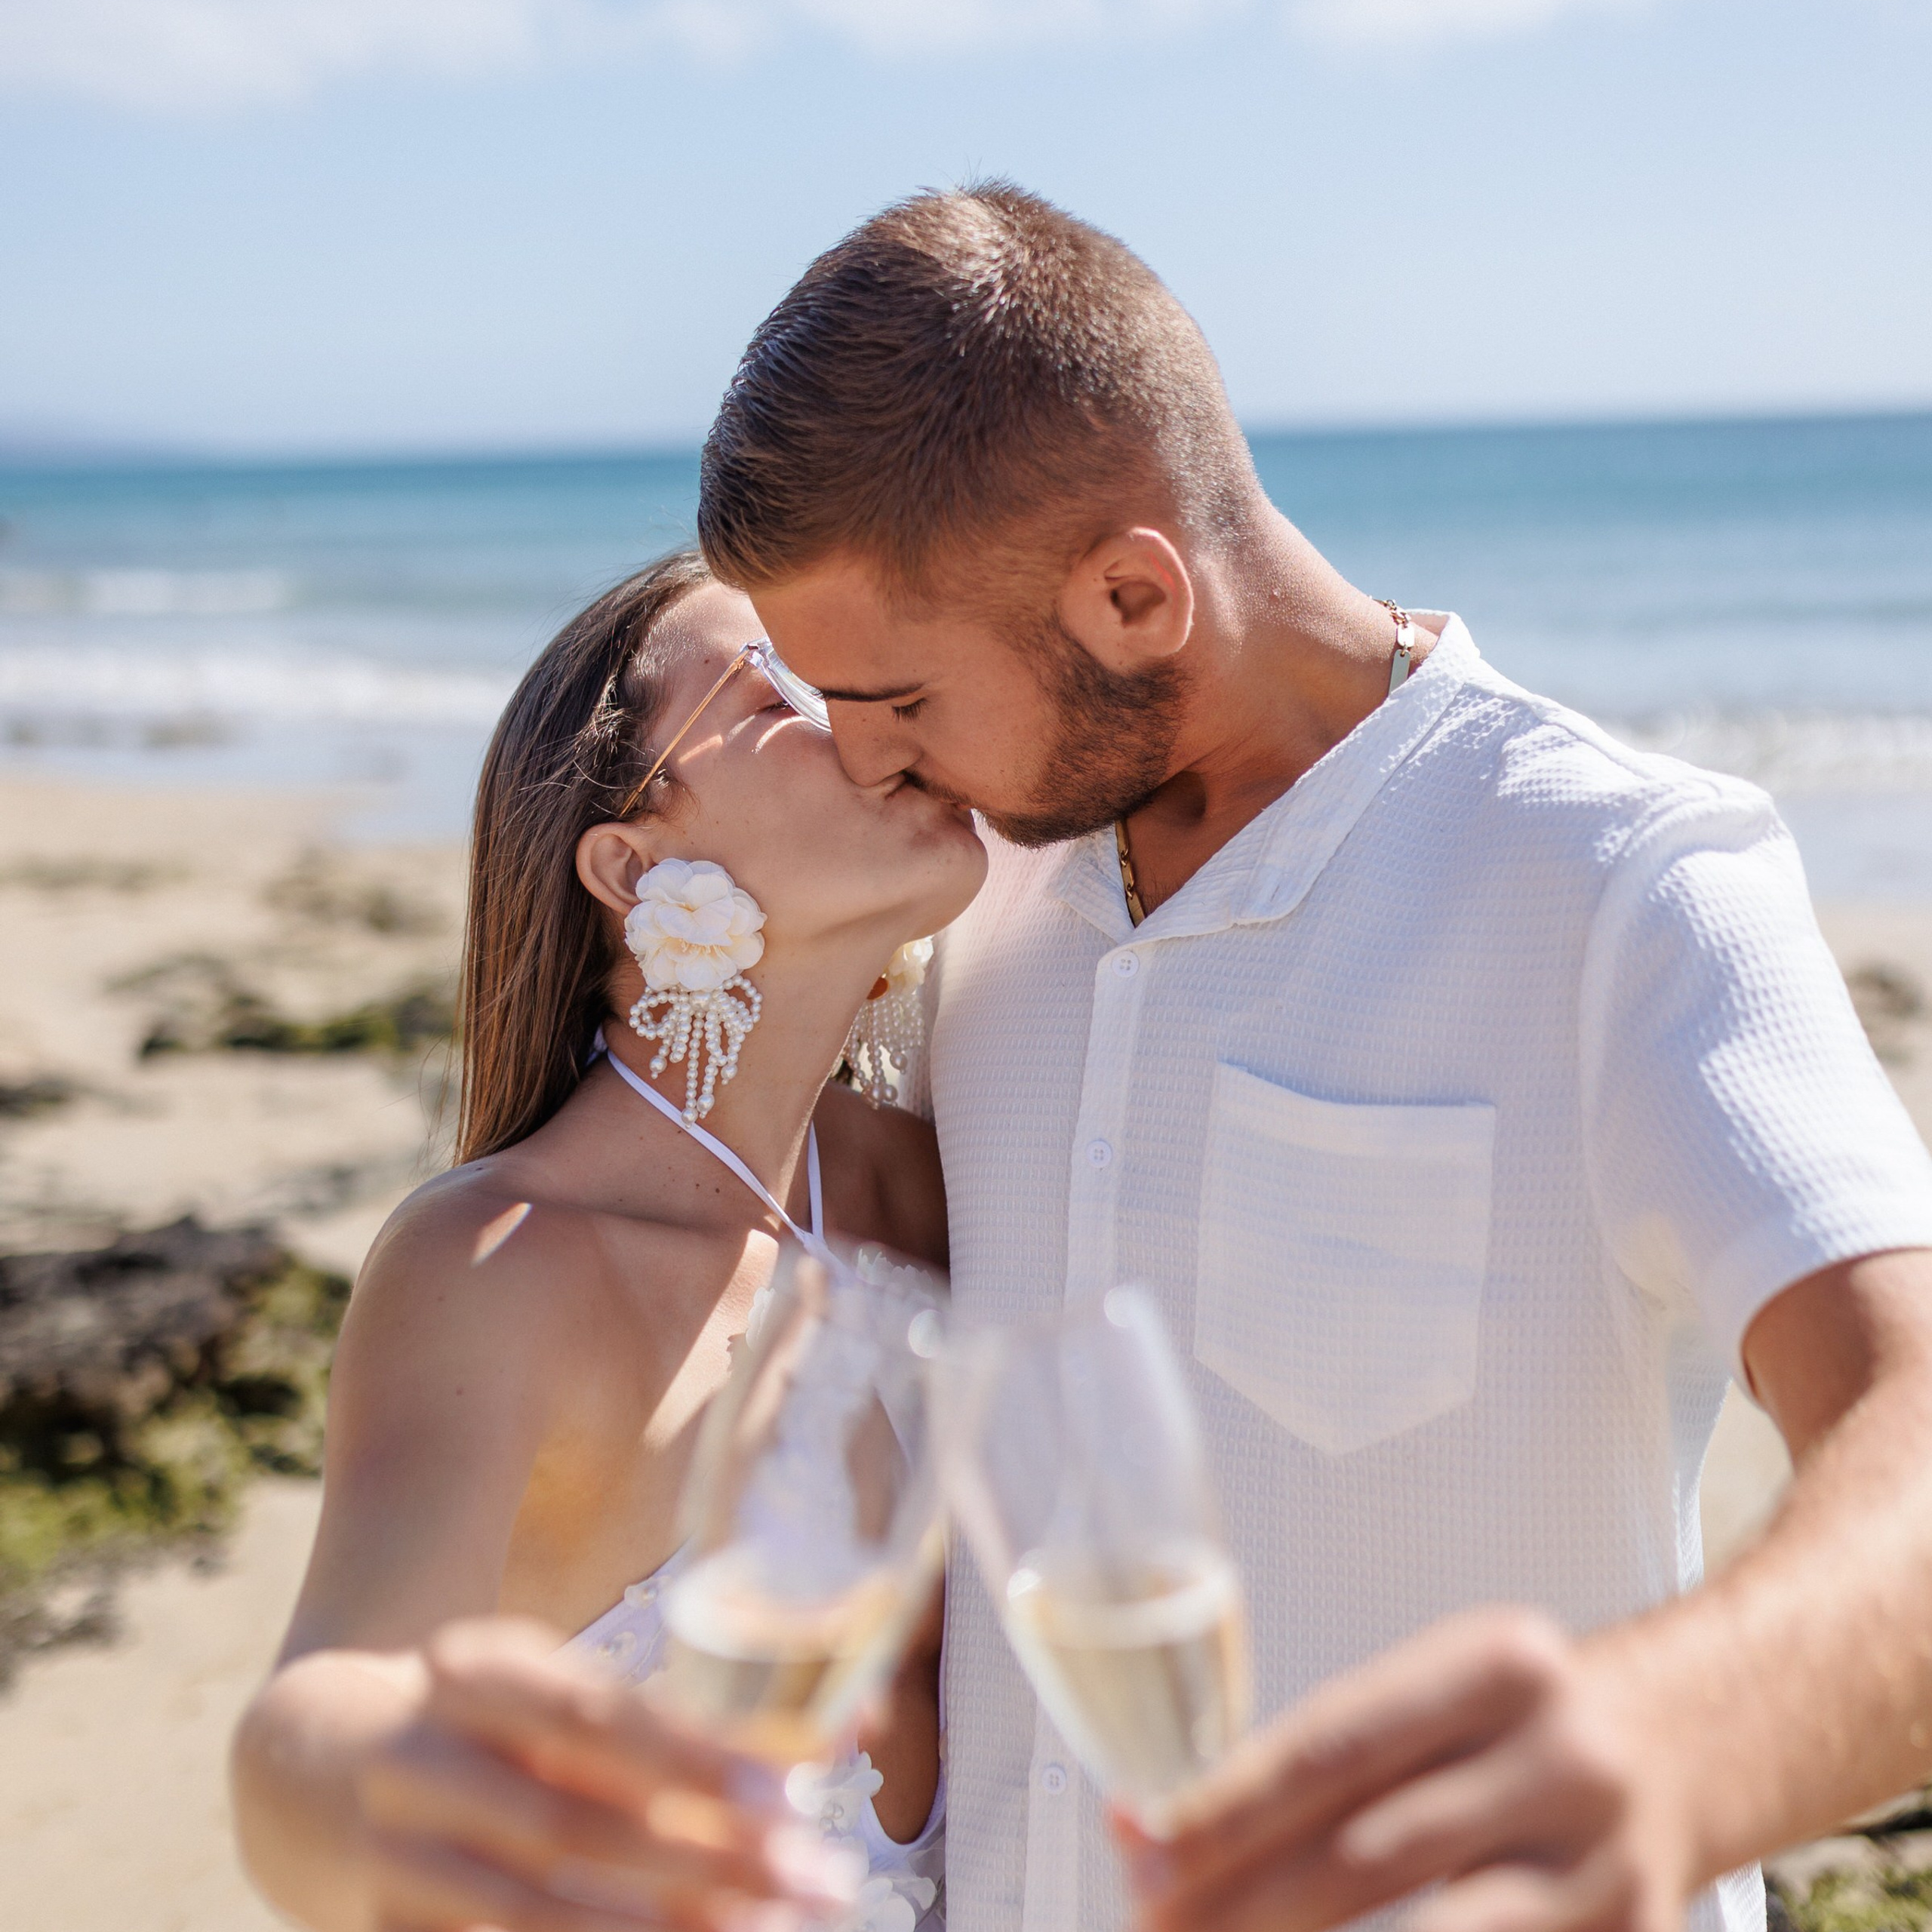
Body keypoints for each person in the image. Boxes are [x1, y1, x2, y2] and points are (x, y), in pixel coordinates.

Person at [691, 182, 1932, 1932]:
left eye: (896, 700)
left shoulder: (1620, 880)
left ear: (1132, 594)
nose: (867, 762)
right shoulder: (969, 897)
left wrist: (1673, 1745)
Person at [230, 552, 986, 1932]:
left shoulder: (933, 1187)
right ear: (637, 863)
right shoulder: (497, 1263)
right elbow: (326, 1711)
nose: (876, 715)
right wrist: (401, 1807)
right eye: (786, 688)